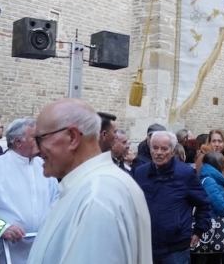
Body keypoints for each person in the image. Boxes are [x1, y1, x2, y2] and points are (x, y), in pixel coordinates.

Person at [27, 99, 152, 264]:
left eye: (40, 139)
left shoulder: (97, 195)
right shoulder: (92, 186)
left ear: (72, 137)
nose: (36, 150)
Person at [0, 118, 58, 264]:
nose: (42, 142)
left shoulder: (45, 167)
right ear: (18, 142)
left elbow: (56, 202)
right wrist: (2, 229)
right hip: (3, 250)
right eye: (35, 138)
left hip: (37, 247)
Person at [134, 131, 212, 264]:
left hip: (176, 249)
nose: (159, 152)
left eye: (164, 149)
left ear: (173, 151)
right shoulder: (140, 173)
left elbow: (204, 204)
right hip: (146, 246)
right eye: (155, 148)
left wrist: (198, 231)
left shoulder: (185, 174)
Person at [197, 152, 224, 264]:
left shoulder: (208, 178)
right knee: (214, 259)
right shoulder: (210, 181)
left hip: (211, 227)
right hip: (213, 229)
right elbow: (222, 208)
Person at [195, 129, 224, 202]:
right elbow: (205, 182)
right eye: (214, 141)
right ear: (209, 142)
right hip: (215, 202)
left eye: (220, 141)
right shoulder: (204, 158)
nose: (217, 144)